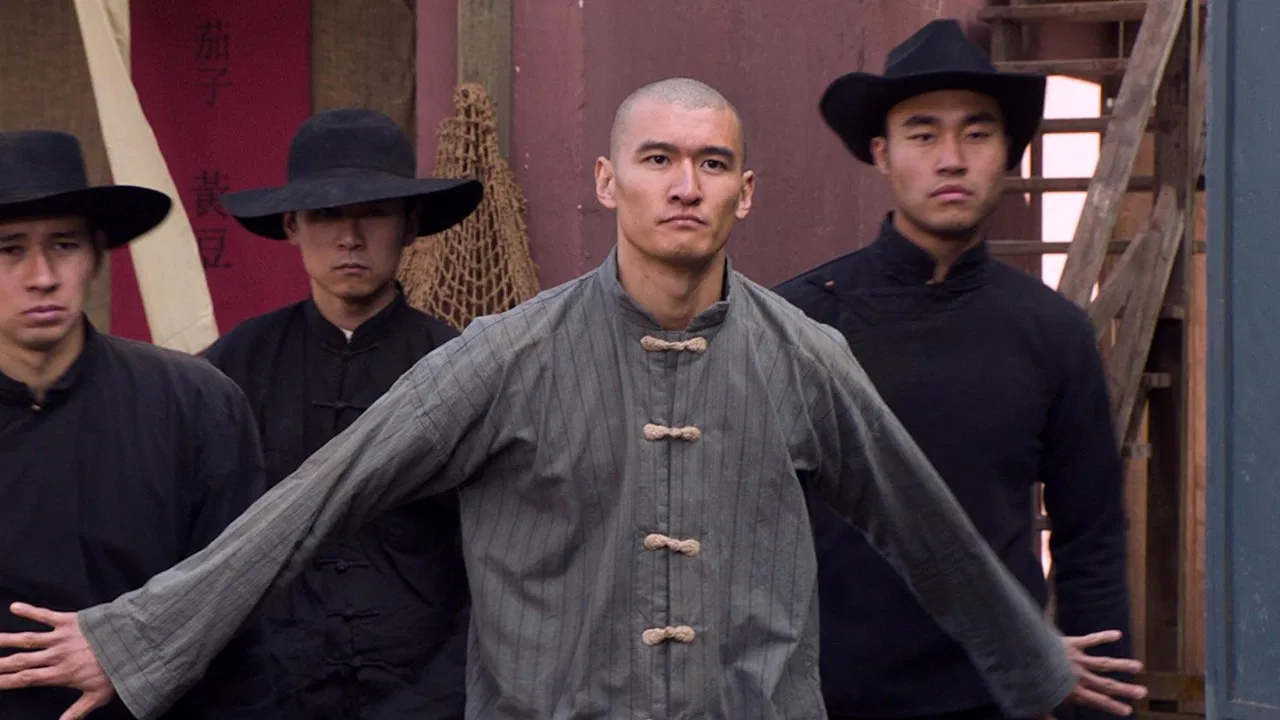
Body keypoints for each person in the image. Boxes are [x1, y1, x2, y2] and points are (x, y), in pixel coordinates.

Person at [0, 79, 1144, 720]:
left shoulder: (805, 356)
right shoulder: (502, 357)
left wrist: (1035, 662)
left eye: (709, 164)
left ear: (744, 192)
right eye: (656, 159)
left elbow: (925, 528)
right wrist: (136, 640)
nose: (683, 185)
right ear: (607, 181)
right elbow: (313, 502)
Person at [774, 20, 1137, 720]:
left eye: (976, 133)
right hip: (828, 698)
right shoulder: (801, 321)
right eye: (922, 134)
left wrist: (1096, 708)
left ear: (1006, 154)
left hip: (993, 700)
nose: (951, 159)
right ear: (882, 153)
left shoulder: (1053, 332)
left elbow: (1090, 538)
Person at [198, 108, 483, 719]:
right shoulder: (231, 368)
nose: (350, 237)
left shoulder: (462, 366)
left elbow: (495, 563)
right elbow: (201, 549)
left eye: (374, 212)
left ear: (410, 225)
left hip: (430, 694)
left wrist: (439, 698)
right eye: (326, 214)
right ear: (292, 224)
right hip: (265, 697)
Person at [0, 131, 270, 719]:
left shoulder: (195, 403)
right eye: (10, 249)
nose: (42, 276)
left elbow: (238, 604)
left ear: (97, 255)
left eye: (64, 244)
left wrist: (133, 656)